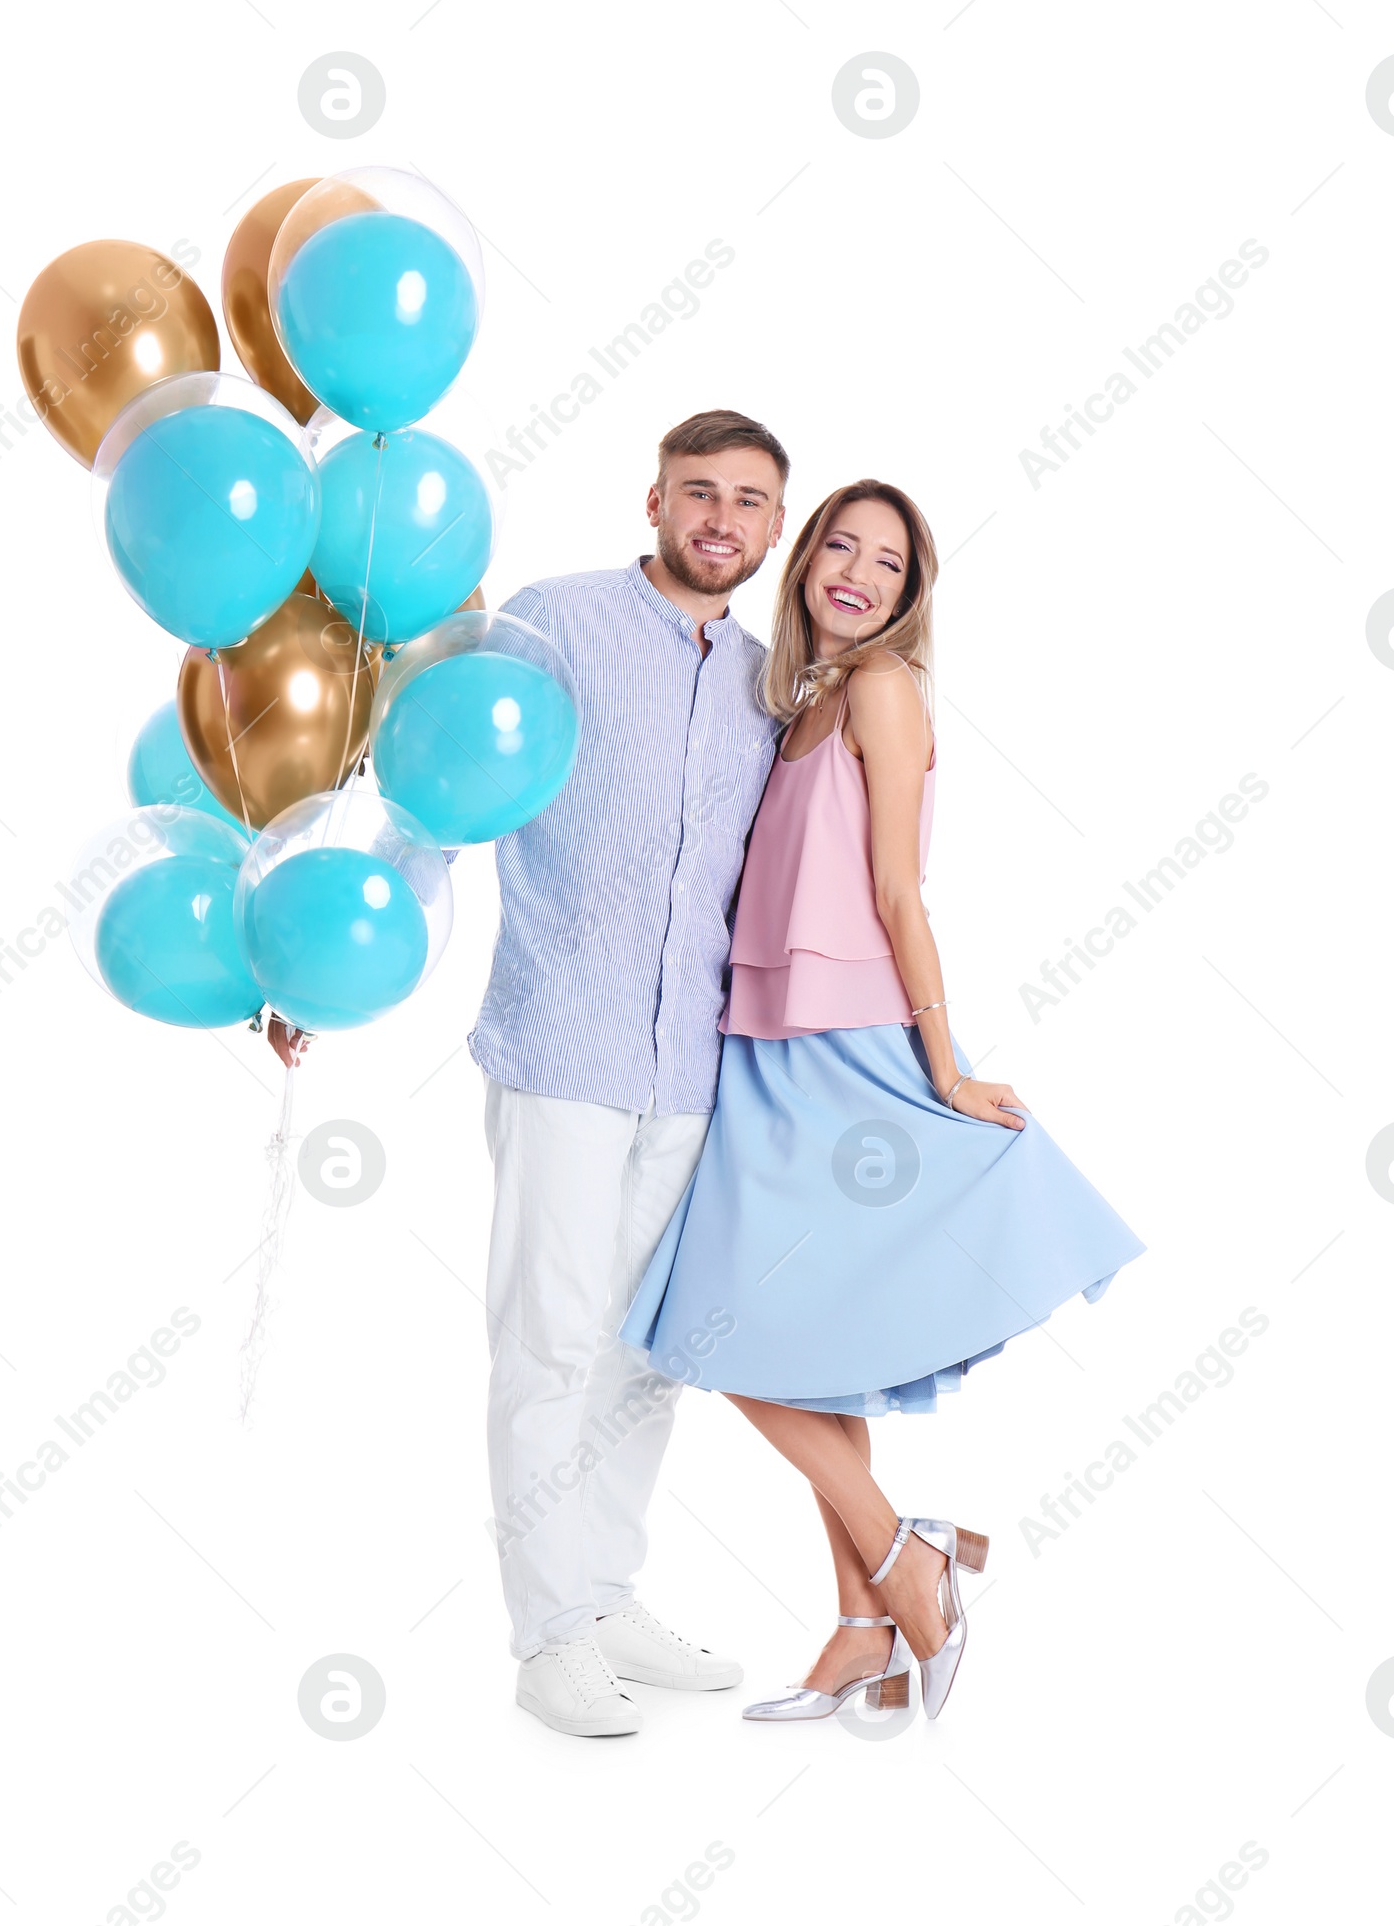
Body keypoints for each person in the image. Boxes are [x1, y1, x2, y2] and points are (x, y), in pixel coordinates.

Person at [621, 477, 1145, 1724]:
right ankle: (866, 1620)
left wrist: (947, 1065)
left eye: (889, 563)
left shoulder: (882, 691)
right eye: (840, 546)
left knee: (717, 1333)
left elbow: (903, 896)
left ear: (910, 595)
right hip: (757, 1044)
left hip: (842, 1049)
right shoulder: (796, 699)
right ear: (803, 561)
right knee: (795, 1341)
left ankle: (907, 1560)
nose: (858, 572)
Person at [465, 409, 789, 1737]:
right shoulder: (555, 620)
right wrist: (321, 957)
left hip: (688, 1068)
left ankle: (602, 1596)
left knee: (648, 1350)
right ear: (655, 498)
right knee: (545, 1342)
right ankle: (547, 1639)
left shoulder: (769, 681)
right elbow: (449, 788)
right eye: (701, 492)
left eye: (751, 502)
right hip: (564, 1044)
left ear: (775, 524)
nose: (724, 519)